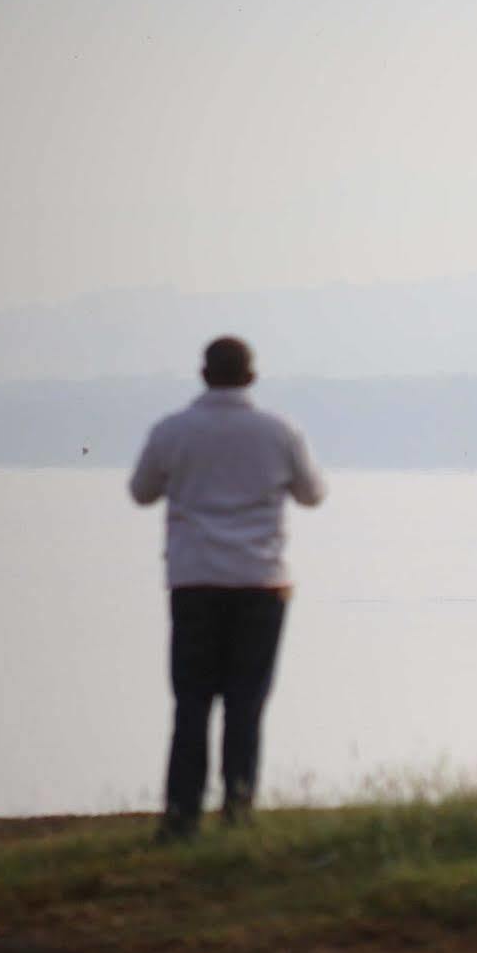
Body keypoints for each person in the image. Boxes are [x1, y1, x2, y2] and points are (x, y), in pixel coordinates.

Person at [130, 337, 326, 841]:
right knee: (246, 704)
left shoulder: (173, 430)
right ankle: (238, 810)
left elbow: (142, 491)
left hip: (194, 582)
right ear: (251, 376)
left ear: (203, 373)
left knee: (192, 703)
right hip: (260, 584)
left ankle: (181, 817)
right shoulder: (279, 431)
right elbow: (312, 494)